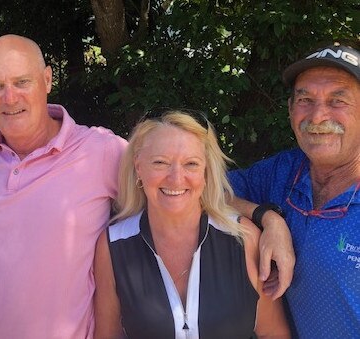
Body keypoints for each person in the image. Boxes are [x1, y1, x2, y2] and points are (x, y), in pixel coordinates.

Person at [0, 34, 294, 338]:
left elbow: (178, 178)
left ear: (46, 80)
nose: (10, 97)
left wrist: (265, 217)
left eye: (21, 82)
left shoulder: (99, 150)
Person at [94, 111, 290, 338]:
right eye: (160, 162)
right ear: (139, 167)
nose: (176, 178)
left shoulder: (244, 239)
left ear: (206, 171)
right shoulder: (113, 245)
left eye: (191, 164)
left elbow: (274, 333)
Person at [229, 44, 360, 337]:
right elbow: (199, 188)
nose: (316, 116)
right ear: (290, 110)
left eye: (338, 101)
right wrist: (267, 217)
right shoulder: (282, 173)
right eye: (305, 99)